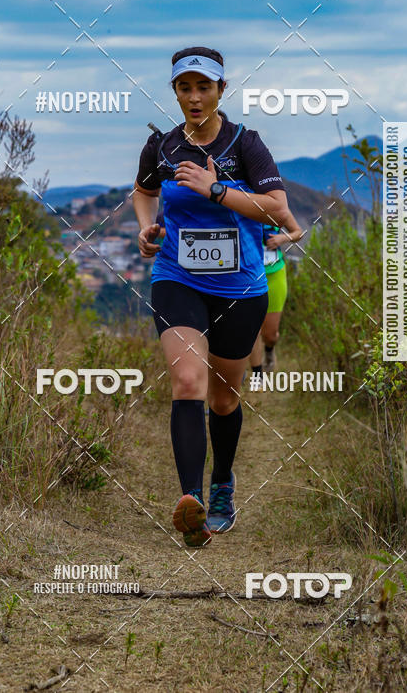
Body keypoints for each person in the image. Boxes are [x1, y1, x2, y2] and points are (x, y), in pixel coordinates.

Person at [133, 45, 289, 547]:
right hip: (176, 276)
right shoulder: (162, 146)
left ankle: (222, 483)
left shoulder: (246, 144)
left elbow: (276, 207)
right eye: (185, 88)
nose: (195, 97)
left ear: (222, 89)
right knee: (186, 380)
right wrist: (146, 228)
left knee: (224, 398)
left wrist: (216, 189)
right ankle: (192, 504)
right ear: (175, 92)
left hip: (240, 287)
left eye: (204, 87)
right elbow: (143, 191)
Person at [249, 217, 303, 379]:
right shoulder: (239, 204)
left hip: (274, 273)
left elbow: (298, 232)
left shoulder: (274, 206)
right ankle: (257, 376)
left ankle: (269, 350)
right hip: (249, 274)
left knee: (270, 335)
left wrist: (282, 238)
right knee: (252, 329)